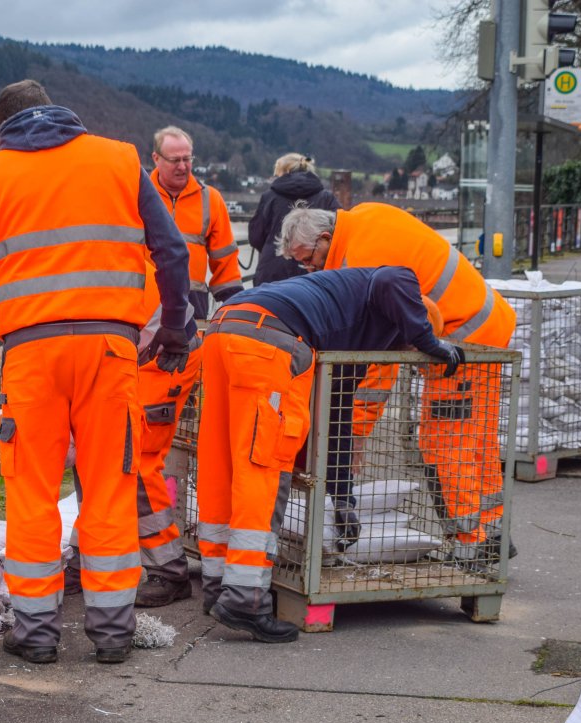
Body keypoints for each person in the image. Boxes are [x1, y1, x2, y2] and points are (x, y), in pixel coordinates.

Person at [0, 79, 191, 666]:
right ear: (56, 110)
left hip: (31, 355)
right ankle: (111, 632)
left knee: (31, 493)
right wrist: (176, 326)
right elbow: (171, 252)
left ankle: (36, 633)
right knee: (108, 487)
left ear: (5, 129)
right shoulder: (119, 159)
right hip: (111, 350)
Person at [198, 266, 464, 643]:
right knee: (264, 469)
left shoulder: (346, 317)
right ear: (409, 323)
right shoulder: (393, 288)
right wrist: (431, 343)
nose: (404, 356)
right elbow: (395, 279)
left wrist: (343, 497)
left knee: (221, 462)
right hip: (269, 344)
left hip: (225, 328)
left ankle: (217, 586)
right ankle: (245, 600)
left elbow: (336, 419)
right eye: (411, 348)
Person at [277, 202, 517, 562]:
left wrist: (353, 433)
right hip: (485, 326)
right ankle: (492, 531)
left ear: (326, 238)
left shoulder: (362, 258)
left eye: (308, 259)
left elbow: (377, 363)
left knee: (443, 443)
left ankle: (470, 543)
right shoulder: (366, 217)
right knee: (477, 436)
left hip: (461, 341)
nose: (308, 268)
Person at [67, 263, 203, 609]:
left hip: (160, 358)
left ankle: (170, 569)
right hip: (124, 355)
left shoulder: (102, 257)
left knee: (138, 462)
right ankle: (87, 557)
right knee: (95, 458)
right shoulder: (88, 252)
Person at [149, 126, 243, 318]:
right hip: (145, 301)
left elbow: (225, 257)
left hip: (192, 304)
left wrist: (235, 305)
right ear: (156, 159)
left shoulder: (211, 199)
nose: (182, 167)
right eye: (175, 160)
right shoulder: (138, 195)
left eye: (187, 159)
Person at [248, 153, 341, 286]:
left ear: (283, 171)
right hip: (315, 274)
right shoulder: (326, 197)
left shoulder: (269, 196)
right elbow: (339, 233)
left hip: (272, 272)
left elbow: (256, 237)